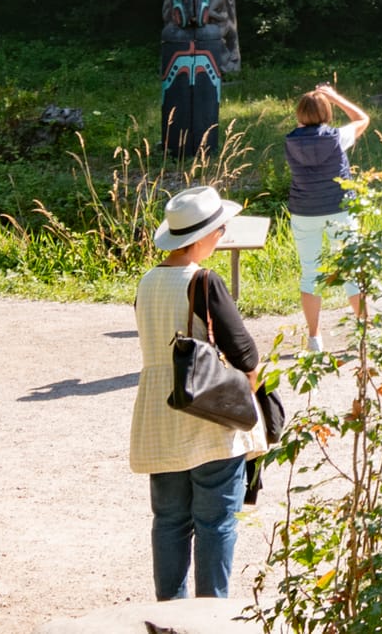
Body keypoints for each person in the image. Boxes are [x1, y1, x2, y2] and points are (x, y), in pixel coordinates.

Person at [129, 187, 268, 601]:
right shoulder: (205, 280)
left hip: (158, 410)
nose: (223, 233)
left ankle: (169, 617)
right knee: (216, 522)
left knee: (169, 520)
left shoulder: (148, 280)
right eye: (218, 228)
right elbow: (245, 353)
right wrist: (252, 390)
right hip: (208, 414)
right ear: (201, 237)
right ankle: (211, 617)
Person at [284, 84, 371, 354]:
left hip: (304, 210)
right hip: (339, 209)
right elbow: (362, 119)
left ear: (299, 114)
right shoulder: (337, 137)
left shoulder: (291, 141)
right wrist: (335, 96)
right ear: (327, 112)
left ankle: (314, 339)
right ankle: (364, 332)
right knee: (351, 271)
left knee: (310, 273)